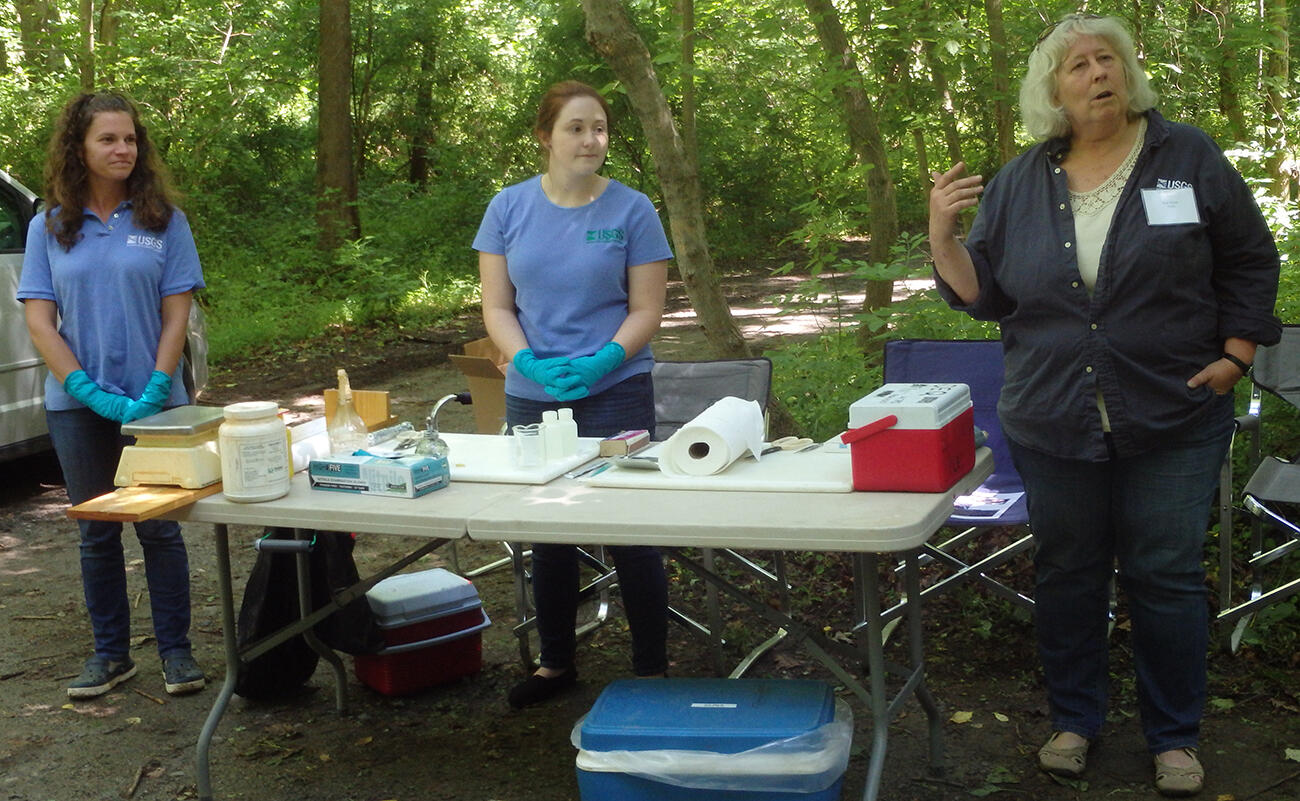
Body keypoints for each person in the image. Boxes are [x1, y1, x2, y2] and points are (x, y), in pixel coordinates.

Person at [928, 13, 1280, 798]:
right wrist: (944, 237)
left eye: (1107, 58)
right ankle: (1075, 719)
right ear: (1053, 90)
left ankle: (1174, 735)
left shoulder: (1184, 156)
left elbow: (1252, 259)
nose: (1097, 72)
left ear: (1127, 72)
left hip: (1176, 412)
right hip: (1054, 416)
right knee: (1068, 573)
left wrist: (1236, 357)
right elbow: (983, 295)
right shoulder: (1023, 179)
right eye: (1078, 64)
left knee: (1166, 575)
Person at [473, 80, 672, 708]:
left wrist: (607, 358)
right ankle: (556, 663)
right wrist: (525, 358)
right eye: (577, 128)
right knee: (548, 532)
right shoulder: (507, 208)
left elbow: (648, 308)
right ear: (546, 137)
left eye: (601, 128)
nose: (592, 139)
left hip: (616, 388)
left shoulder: (633, 210)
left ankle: (652, 673)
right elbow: (497, 306)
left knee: (631, 529)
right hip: (534, 394)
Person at [18, 92, 207, 699]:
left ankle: (177, 652)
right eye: (108, 139)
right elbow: (41, 321)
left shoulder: (164, 220)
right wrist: (82, 388)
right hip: (78, 407)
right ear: (80, 148)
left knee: (159, 527)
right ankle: (111, 655)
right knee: (97, 531)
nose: (123, 149)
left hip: (157, 405)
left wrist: (157, 384)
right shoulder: (48, 225)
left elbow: (177, 314)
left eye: (129, 139)